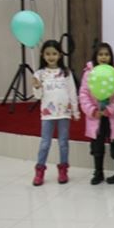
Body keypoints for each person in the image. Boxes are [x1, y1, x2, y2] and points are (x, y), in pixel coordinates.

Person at [79, 42, 114, 185]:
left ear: (111, 56)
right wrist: (92, 110)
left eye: (106, 54)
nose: (103, 57)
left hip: (113, 116)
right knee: (97, 145)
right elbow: (83, 94)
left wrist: (111, 109)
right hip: (96, 117)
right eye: (100, 54)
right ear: (95, 56)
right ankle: (98, 172)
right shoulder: (88, 73)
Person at [31, 40, 80, 186]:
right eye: (48, 54)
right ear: (42, 55)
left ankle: (63, 169)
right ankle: (39, 170)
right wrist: (37, 87)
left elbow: (72, 92)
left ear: (60, 55)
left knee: (63, 143)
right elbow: (38, 96)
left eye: (54, 53)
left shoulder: (66, 72)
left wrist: (75, 111)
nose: (51, 57)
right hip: (47, 115)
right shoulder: (39, 74)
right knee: (45, 143)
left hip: (64, 113)